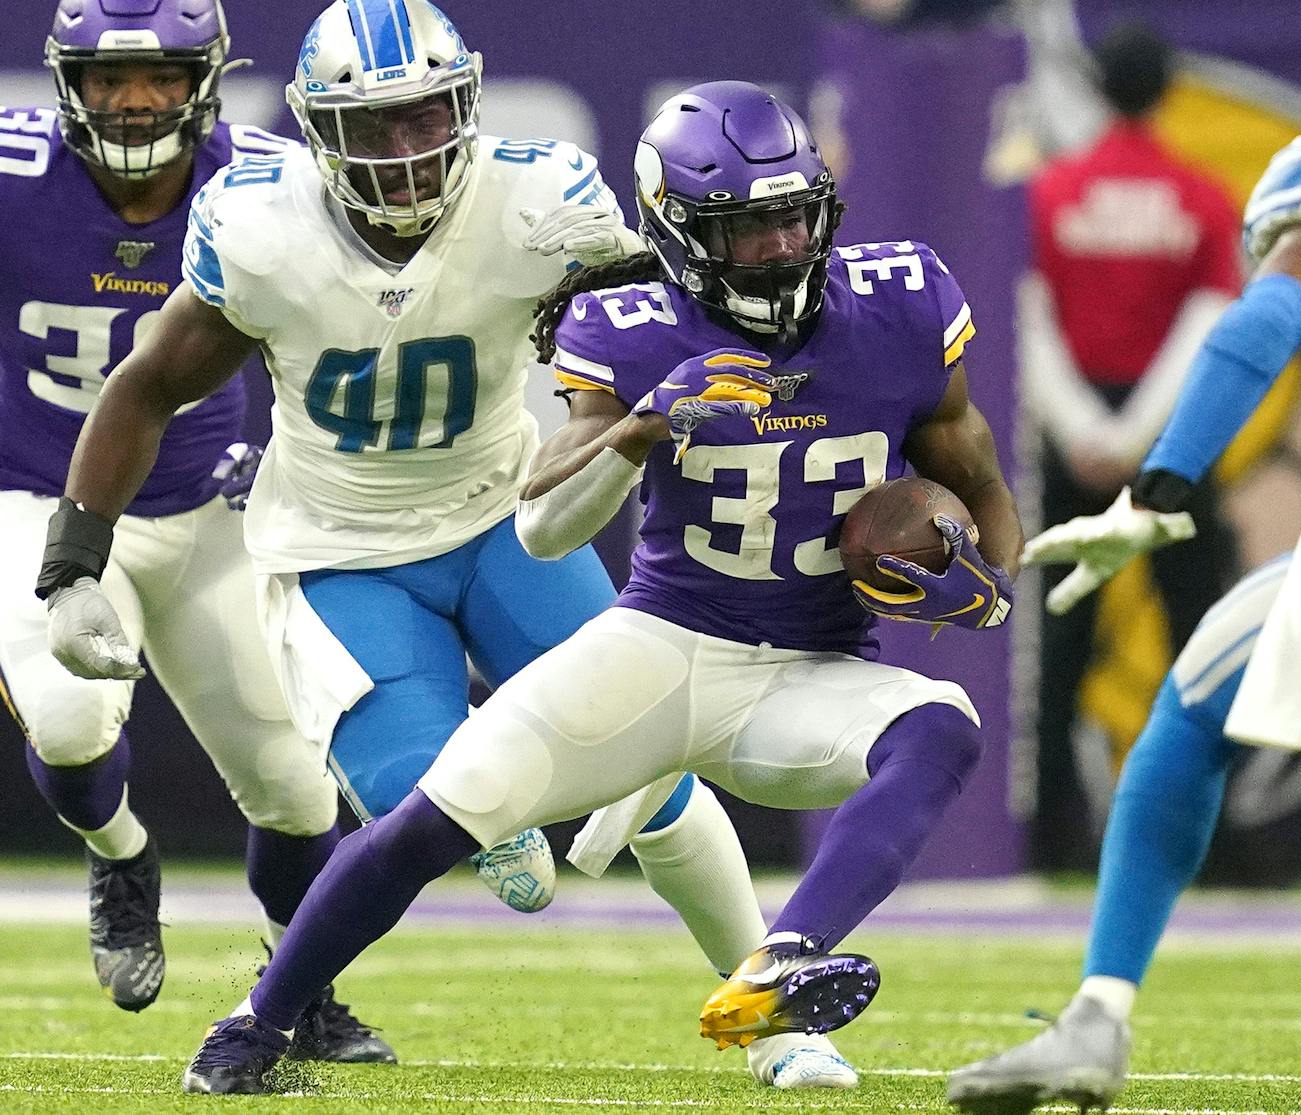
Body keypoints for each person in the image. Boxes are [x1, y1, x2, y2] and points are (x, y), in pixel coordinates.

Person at [39, 3, 856, 1093]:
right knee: (458, 816)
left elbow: (660, 332)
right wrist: (74, 558)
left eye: (424, 117)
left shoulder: (537, 199)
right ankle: (458, 833)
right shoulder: (259, 222)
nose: (405, 150)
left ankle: (774, 1020)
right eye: (371, 129)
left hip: (503, 520)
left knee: (658, 785)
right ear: (317, 132)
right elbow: (146, 382)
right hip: (343, 552)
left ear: (466, 104)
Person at [173, 78, 1024, 1094]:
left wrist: (986, 580)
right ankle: (253, 1027)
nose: (779, 248)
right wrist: (639, 429)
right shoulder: (632, 327)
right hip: (660, 649)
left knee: (941, 724)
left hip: (808, 673)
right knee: (435, 820)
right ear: (675, 230)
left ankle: (781, 965)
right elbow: (540, 527)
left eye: (795, 219)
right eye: (745, 230)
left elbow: (974, 476)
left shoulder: (900, 301)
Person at [946, 3, 1301, 1110]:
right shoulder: (1196, 192)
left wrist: (1158, 483)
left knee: (1189, 713)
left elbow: (1258, 327)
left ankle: (1095, 1017)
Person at [0, 0, 404, 1061]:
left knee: (295, 782)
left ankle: (297, 984)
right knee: (73, 719)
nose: (134, 101)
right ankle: (121, 853)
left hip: (207, 500)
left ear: (207, 80)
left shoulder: (274, 183)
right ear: (65, 85)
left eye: (162, 77)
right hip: (37, 495)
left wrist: (286, 457)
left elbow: (354, 334)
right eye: (106, 80)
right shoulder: (10, 174)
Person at [1019, 20, 1240, 870]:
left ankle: (1049, 837)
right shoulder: (1200, 196)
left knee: (1059, 637)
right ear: (1167, 90)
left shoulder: (1052, 192)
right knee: (1198, 640)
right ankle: (1211, 841)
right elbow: (1208, 329)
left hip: (1074, 438)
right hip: (1175, 442)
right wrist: (1146, 438)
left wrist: (1084, 431)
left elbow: (1027, 317)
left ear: (1099, 87)